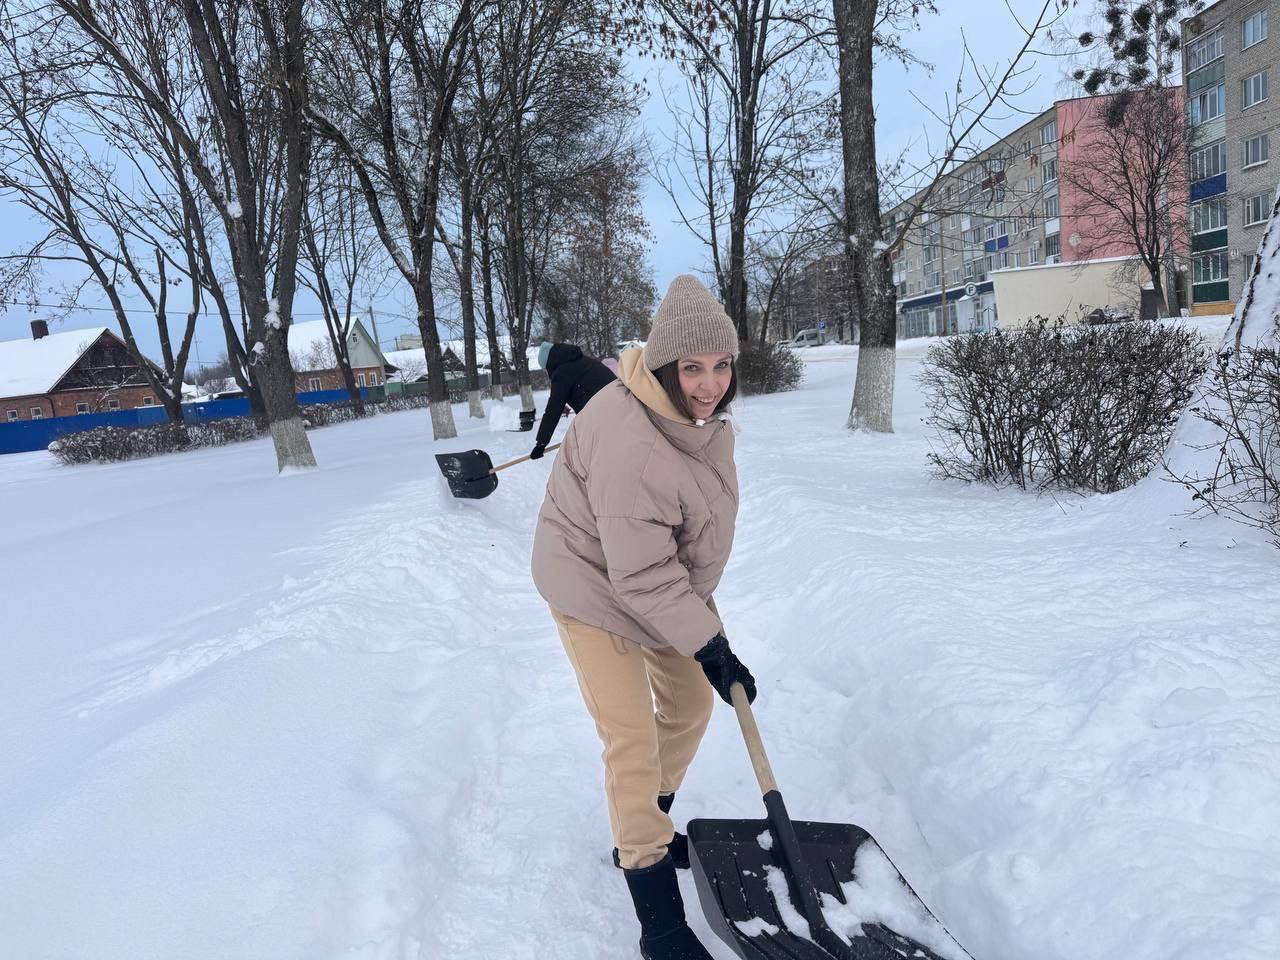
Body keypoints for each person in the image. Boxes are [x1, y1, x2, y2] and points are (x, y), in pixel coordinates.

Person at [531, 275, 756, 960]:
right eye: (693, 368)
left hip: (654, 578)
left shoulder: (691, 421)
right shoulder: (634, 442)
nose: (710, 384)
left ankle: (646, 819)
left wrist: (708, 640)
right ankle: (657, 917)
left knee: (690, 704)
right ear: (664, 367)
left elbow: (674, 548)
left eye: (721, 365)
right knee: (630, 736)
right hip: (591, 587)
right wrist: (710, 644)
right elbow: (639, 574)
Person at [529, 342, 617, 460]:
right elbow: (584, 386)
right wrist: (564, 404)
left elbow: (553, 409)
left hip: (603, 412)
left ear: (549, 363)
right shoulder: (579, 360)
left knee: (598, 451)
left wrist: (541, 443)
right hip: (618, 399)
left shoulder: (561, 372)